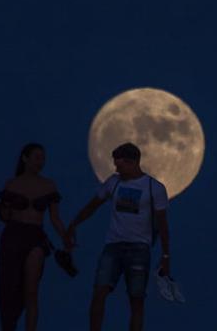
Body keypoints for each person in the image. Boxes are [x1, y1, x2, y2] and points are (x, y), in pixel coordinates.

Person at [66, 142, 171, 331]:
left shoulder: (154, 187)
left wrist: (165, 256)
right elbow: (93, 205)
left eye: (119, 164)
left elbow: (162, 224)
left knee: (136, 299)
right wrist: (74, 224)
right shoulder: (113, 182)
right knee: (99, 291)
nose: (116, 168)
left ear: (132, 162)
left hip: (139, 248)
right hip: (113, 246)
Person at [0, 143, 71, 331]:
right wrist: (2, 209)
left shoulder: (48, 185)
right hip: (13, 235)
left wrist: (66, 236)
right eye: (37, 157)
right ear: (25, 158)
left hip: (35, 236)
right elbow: (6, 216)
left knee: (31, 291)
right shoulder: (12, 184)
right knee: (9, 288)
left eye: (43, 158)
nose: (41, 161)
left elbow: (54, 218)